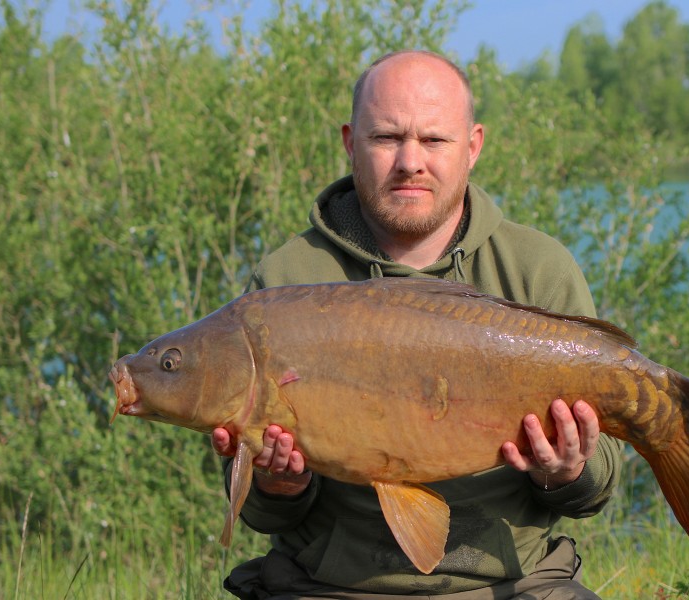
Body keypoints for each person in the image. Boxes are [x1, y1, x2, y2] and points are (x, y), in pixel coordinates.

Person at [211, 49, 622, 600]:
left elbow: (595, 491)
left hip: (512, 584)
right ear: (349, 142)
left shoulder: (535, 270)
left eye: (434, 140)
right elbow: (265, 515)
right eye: (386, 138)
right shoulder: (290, 278)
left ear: (472, 146)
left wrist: (567, 470)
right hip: (328, 586)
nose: (410, 161)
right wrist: (280, 485)